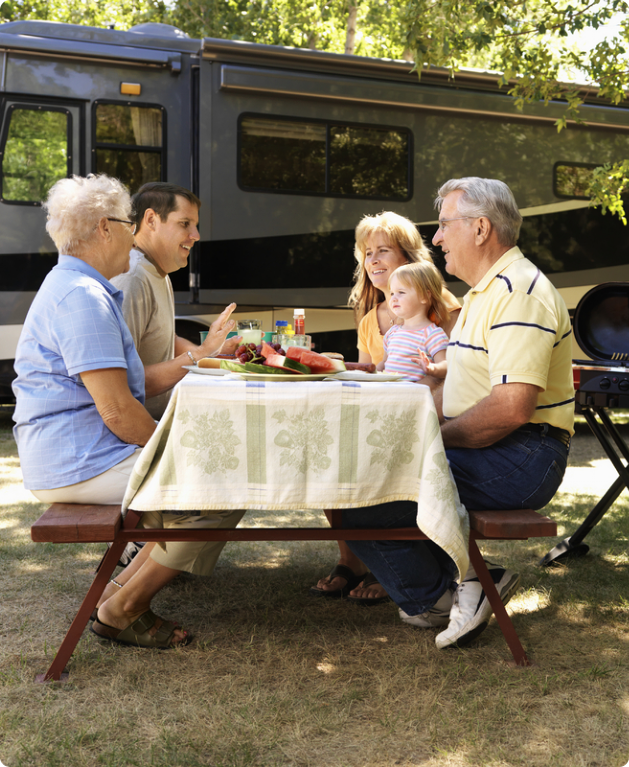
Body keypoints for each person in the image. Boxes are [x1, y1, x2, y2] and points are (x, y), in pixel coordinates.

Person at [339, 177, 575, 649]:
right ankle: (463, 586)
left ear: (481, 228)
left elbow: (510, 408)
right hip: (507, 447)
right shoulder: (484, 293)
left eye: (445, 225)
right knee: (353, 479)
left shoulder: (517, 291)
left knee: (362, 489)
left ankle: (447, 593)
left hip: (523, 455)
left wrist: (432, 437)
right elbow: (468, 377)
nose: (439, 237)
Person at [12, 174, 244, 649]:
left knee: (216, 477)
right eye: (126, 221)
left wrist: (198, 362)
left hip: (81, 454)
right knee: (223, 482)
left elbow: (129, 387)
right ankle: (120, 608)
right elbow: (118, 412)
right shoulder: (82, 298)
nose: (133, 229)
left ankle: (121, 593)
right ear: (103, 228)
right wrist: (175, 444)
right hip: (79, 460)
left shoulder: (81, 287)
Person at [310, 211, 461, 604]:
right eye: (366, 253)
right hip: (381, 416)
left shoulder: (439, 305)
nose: (373, 260)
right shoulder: (370, 318)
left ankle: (389, 567)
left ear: (408, 258)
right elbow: (373, 372)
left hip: (426, 420)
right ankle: (352, 559)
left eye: (382, 251)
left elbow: (460, 370)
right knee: (328, 450)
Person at [111, 181, 240, 421]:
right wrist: (201, 354)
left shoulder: (157, 272)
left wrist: (215, 352)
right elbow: (122, 381)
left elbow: (164, 338)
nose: (196, 236)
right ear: (151, 220)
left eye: (195, 225)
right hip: (137, 434)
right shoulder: (133, 277)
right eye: (184, 224)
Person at [379, 261, 449, 385]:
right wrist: (371, 372)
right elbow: (384, 363)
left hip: (412, 399)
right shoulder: (392, 332)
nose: (393, 298)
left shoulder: (432, 334)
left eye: (401, 292)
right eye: (392, 293)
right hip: (388, 396)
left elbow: (446, 365)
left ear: (424, 296)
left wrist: (432, 369)